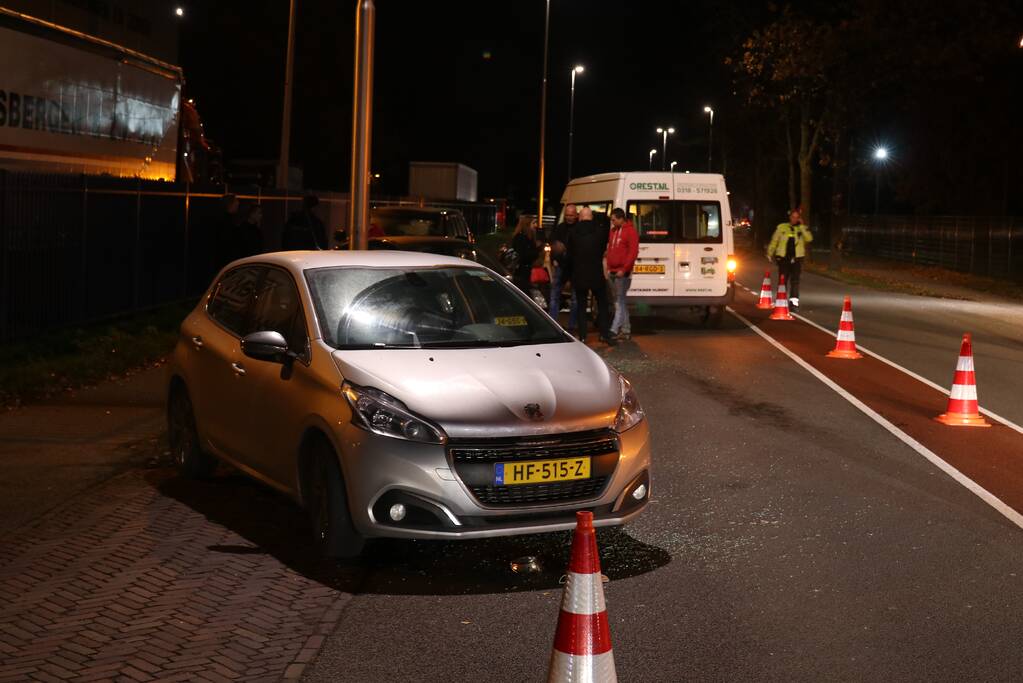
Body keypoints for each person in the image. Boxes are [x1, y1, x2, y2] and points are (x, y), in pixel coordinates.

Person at [566, 207, 615, 345]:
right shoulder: (599, 232)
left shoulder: (573, 232)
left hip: (579, 274)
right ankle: (604, 334)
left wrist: (568, 277)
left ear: (580, 217)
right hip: (596, 274)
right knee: (602, 304)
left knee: (581, 306)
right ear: (591, 217)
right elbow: (603, 250)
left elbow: (569, 256)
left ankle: (582, 336)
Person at [767, 207, 813, 308]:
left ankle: (794, 302)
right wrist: (770, 253)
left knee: (795, 281)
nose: (795, 219)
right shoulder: (782, 227)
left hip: (797, 259)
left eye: (797, 217)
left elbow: (809, 238)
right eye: (793, 217)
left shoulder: (801, 228)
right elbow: (774, 241)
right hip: (783, 258)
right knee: (783, 280)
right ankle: (781, 300)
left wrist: (802, 226)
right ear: (790, 217)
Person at [605, 208, 639, 340]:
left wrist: (624, 269)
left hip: (622, 272)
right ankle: (626, 329)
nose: (612, 222)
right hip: (613, 270)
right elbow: (610, 250)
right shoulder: (613, 231)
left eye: (613, 220)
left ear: (620, 218)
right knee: (620, 301)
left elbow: (633, 252)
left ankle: (613, 329)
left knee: (619, 301)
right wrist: (608, 267)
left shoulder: (630, 232)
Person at [548, 204, 579, 329]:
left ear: (576, 215)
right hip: (561, 265)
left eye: (571, 215)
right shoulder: (560, 228)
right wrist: (554, 259)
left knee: (575, 299)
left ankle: (571, 326)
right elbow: (552, 244)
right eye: (567, 215)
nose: (568, 217)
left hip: (575, 267)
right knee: (554, 295)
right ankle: (553, 324)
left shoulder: (579, 228)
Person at [510, 214, 541, 294]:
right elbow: (524, 255)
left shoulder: (530, 237)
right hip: (522, 272)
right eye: (533, 223)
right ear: (527, 225)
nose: (536, 225)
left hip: (527, 271)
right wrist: (537, 250)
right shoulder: (521, 238)